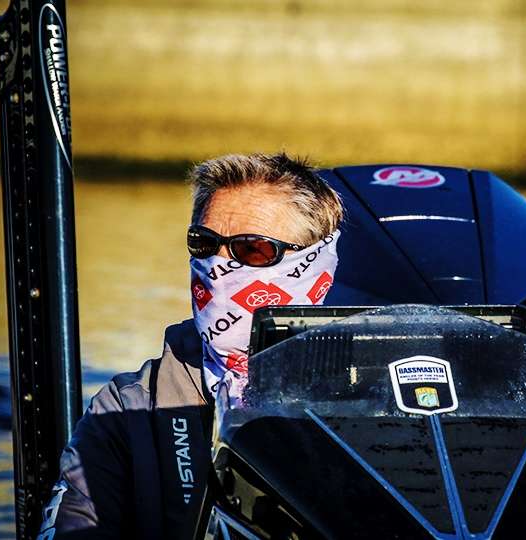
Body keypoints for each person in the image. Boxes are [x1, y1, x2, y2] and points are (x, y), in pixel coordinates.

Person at [36, 153, 344, 540]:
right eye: (205, 244)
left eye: (253, 249)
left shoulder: (373, 395)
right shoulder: (128, 407)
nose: (219, 266)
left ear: (313, 262)